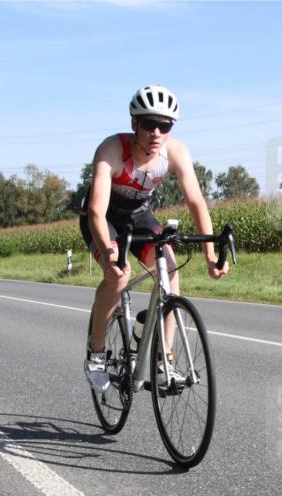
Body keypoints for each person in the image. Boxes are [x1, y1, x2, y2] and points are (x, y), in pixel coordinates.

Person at [81, 83, 228, 392]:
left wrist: (210, 256)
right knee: (119, 276)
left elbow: (196, 202)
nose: (157, 132)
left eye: (165, 125)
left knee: (170, 272)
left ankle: (163, 360)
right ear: (135, 123)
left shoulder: (175, 151)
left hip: (139, 216)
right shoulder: (111, 150)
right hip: (104, 217)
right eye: (149, 124)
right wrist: (109, 256)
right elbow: (96, 210)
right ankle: (96, 352)